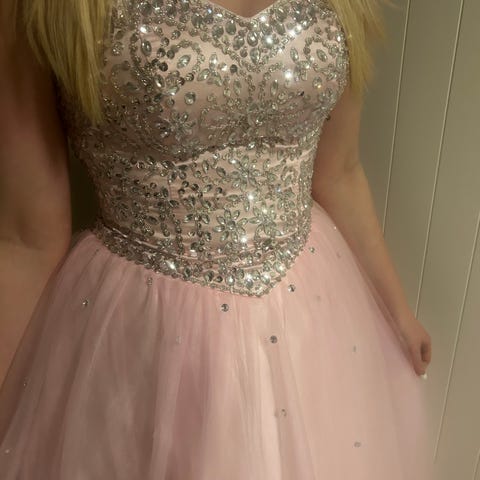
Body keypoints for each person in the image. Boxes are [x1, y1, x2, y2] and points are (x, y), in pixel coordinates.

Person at [0, 0, 432, 478]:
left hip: (310, 309)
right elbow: (26, 239)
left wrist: (396, 311)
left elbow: (340, 172)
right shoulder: (44, 9)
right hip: (144, 327)